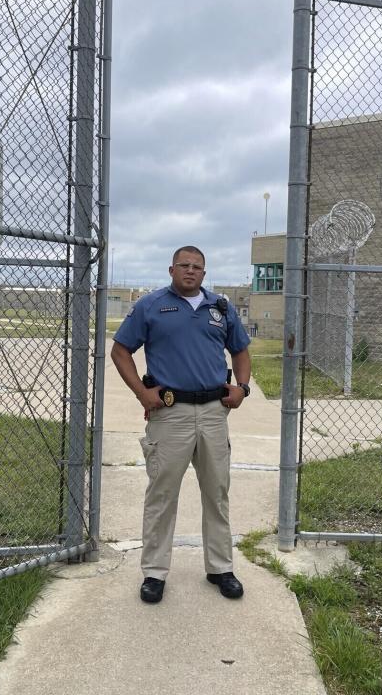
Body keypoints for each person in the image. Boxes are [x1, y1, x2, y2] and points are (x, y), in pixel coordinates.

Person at [110, 245, 252, 604]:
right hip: (169, 414)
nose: (191, 271)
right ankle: (154, 573)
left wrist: (243, 388)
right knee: (162, 494)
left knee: (217, 492)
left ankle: (220, 567)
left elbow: (241, 351)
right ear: (171, 269)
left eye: (198, 267)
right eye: (184, 265)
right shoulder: (151, 306)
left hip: (213, 413)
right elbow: (121, 351)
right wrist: (143, 394)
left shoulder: (220, 309)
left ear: (204, 273)